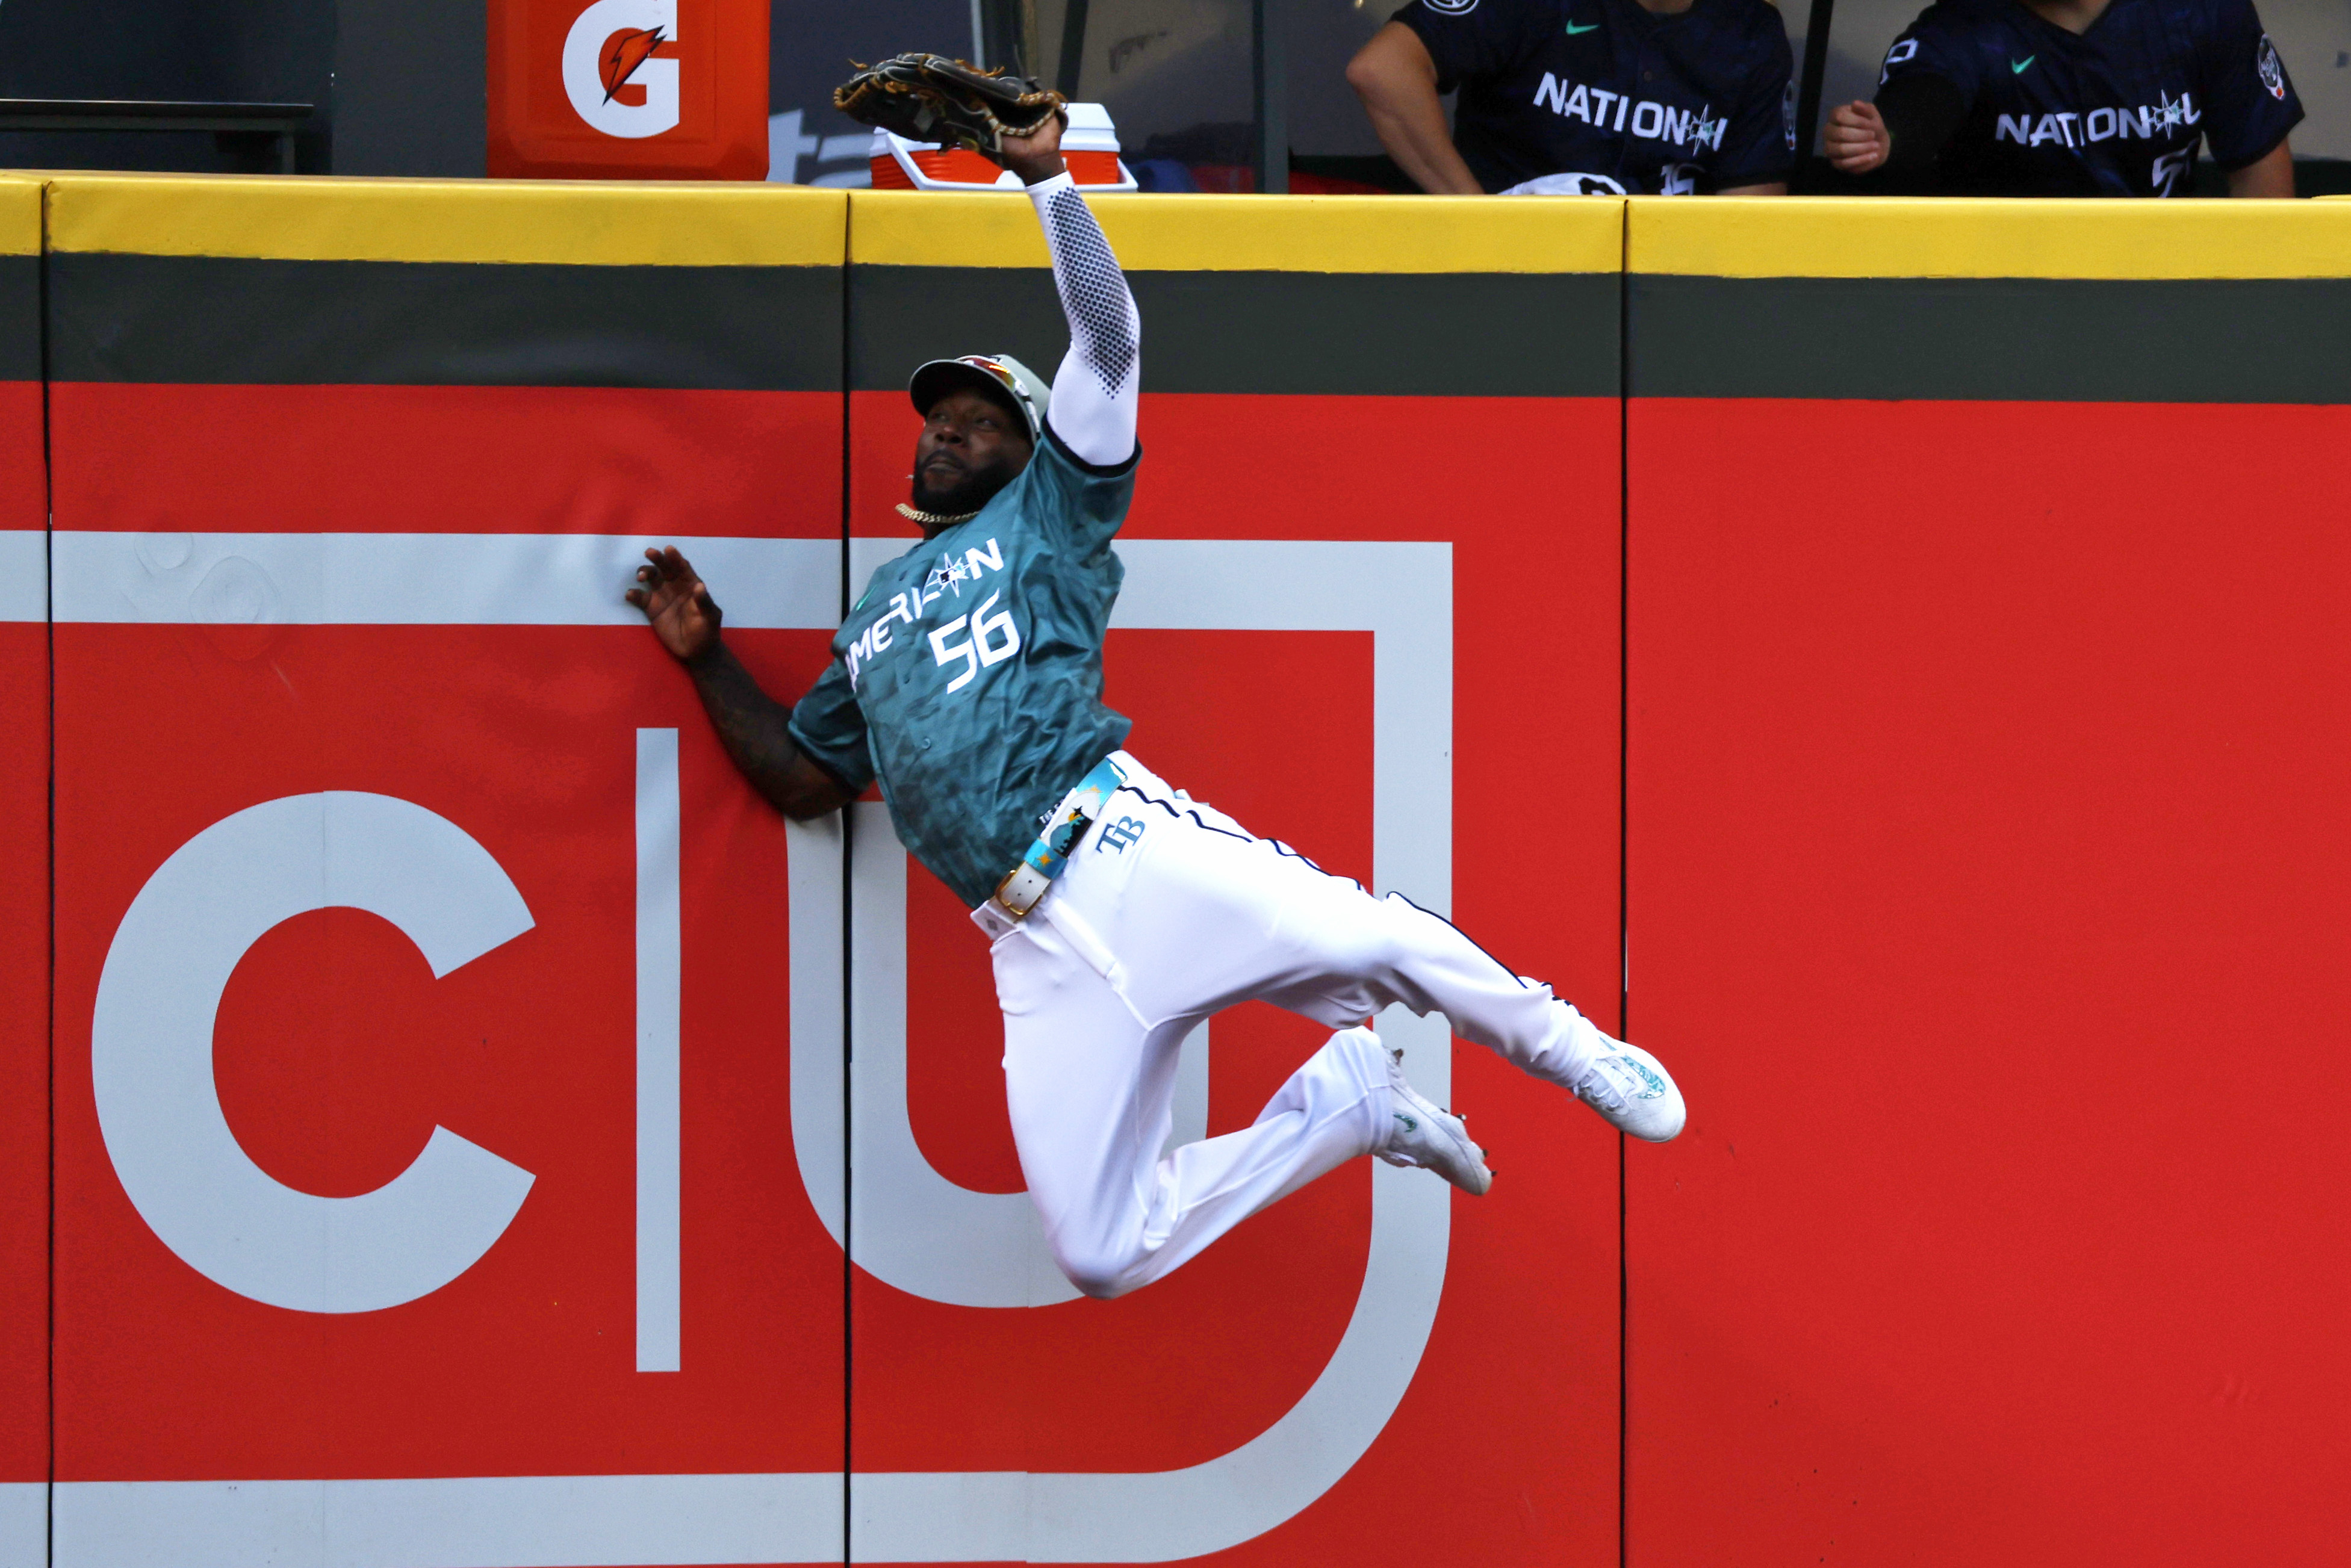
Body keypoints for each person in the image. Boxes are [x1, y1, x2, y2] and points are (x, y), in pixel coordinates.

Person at [626, 111, 1686, 1302]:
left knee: (1371, 935)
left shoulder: (1050, 516)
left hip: (1120, 847)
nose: (946, 435)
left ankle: (1568, 1047)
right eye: (936, 421)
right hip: (1030, 949)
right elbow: (803, 779)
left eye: (980, 423)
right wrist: (707, 660)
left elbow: (1110, 340)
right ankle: (1350, 1107)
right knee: (1098, 1250)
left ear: (1032, 451)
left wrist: (1047, 183)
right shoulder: (873, 616)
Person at [1823, 0, 2299, 195]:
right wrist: (1885, 135)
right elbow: (1924, 98)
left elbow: (2260, 172)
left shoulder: (2199, 13)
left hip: (2159, 291)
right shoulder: (1963, 27)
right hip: (2003, 298)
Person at [1344, 0, 1795, 196]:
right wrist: (1477, 221)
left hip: (1659, 290)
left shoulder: (1751, 31)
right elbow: (1382, 70)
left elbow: (1754, 202)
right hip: (1511, 278)